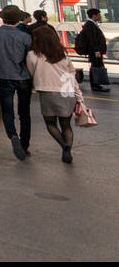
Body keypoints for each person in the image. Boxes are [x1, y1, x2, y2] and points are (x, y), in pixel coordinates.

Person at [26, 24, 83, 164]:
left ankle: (64, 147)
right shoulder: (63, 55)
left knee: (50, 123)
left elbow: (31, 72)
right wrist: (79, 97)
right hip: (67, 91)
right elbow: (72, 76)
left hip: (47, 92)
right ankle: (68, 147)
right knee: (66, 125)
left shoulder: (33, 55)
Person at [0, 4, 35, 161]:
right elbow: (30, 60)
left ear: (2, 18)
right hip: (23, 77)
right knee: (24, 112)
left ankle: (13, 136)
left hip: (2, 76)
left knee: (7, 110)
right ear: (17, 19)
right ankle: (25, 144)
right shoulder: (25, 37)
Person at [74, 8, 110, 93]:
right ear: (94, 15)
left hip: (94, 51)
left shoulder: (91, 24)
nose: (100, 16)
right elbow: (92, 40)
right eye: (98, 14)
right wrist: (97, 51)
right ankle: (95, 86)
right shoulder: (90, 25)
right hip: (94, 52)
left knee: (95, 67)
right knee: (95, 67)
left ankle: (96, 85)